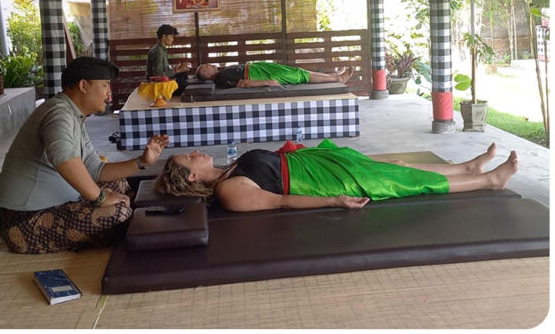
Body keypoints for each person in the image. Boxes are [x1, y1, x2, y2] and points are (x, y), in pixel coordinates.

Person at [0, 56, 170, 254]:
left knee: (119, 185)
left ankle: (106, 234)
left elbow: (95, 169)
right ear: (84, 86)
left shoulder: (74, 115)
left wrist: (142, 161)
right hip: (22, 221)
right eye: (104, 86)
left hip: (52, 206)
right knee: (118, 212)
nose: (109, 93)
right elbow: (64, 160)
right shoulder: (58, 114)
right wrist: (100, 198)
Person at [154, 139, 518, 212]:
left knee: (398, 166)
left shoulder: (229, 167)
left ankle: (467, 168)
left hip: (317, 162)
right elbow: (280, 200)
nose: (197, 152)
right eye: (191, 157)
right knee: (404, 182)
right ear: (190, 178)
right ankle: (489, 180)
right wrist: (334, 200)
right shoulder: (229, 190)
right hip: (323, 182)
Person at [196, 61, 354, 89]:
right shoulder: (220, 78)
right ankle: (338, 78)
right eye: (205, 67)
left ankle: (333, 75)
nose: (208, 64)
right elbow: (244, 83)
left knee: (297, 72)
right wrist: (268, 82)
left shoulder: (221, 73)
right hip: (259, 74)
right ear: (206, 74)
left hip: (259, 69)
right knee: (298, 76)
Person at [146, 24, 192, 94]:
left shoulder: (161, 49)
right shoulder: (158, 52)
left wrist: (177, 69)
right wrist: (177, 70)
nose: (173, 39)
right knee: (184, 84)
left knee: (182, 75)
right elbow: (159, 75)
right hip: (158, 85)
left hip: (162, 81)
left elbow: (163, 70)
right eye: (171, 37)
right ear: (164, 37)